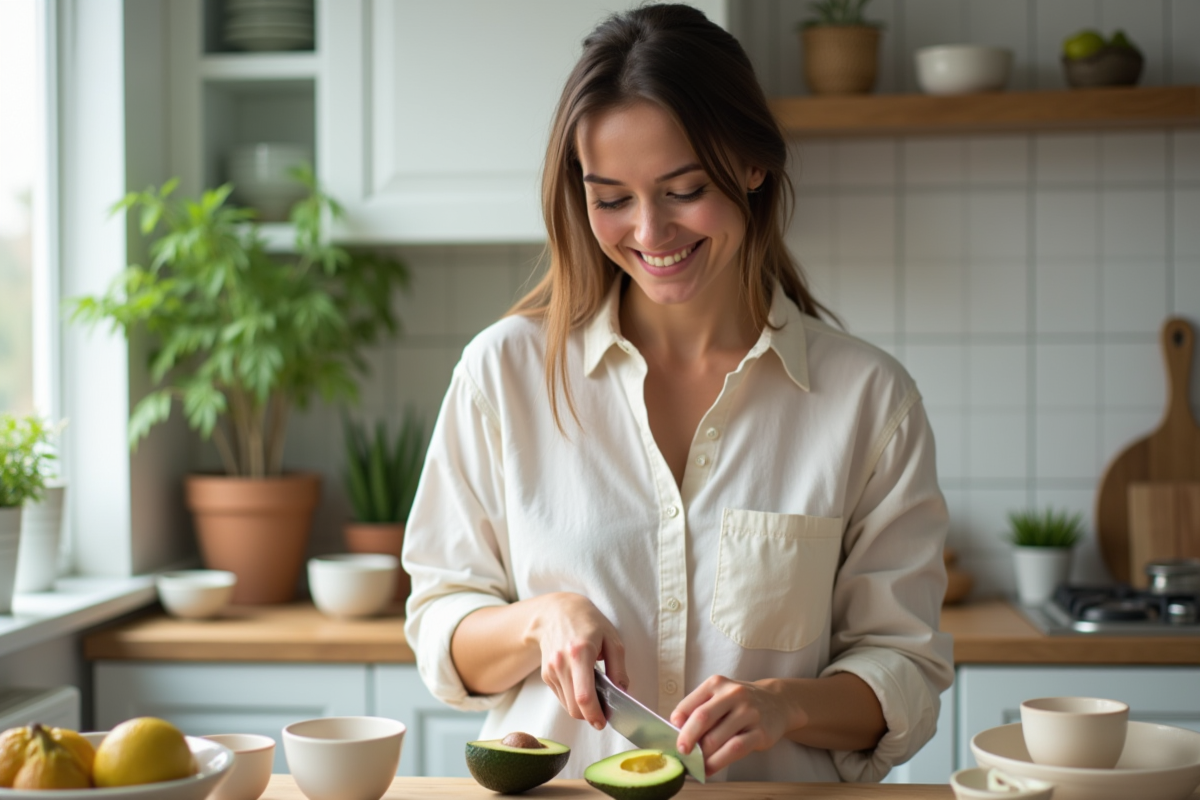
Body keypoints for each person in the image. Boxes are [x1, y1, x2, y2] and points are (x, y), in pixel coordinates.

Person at [402, 3, 953, 783]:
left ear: (752, 164)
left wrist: (784, 704)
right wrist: (540, 621)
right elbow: (439, 626)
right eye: (611, 198)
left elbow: (904, 669)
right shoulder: (504, 374)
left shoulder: (867, 401)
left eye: (684, 188)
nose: (651, 233)